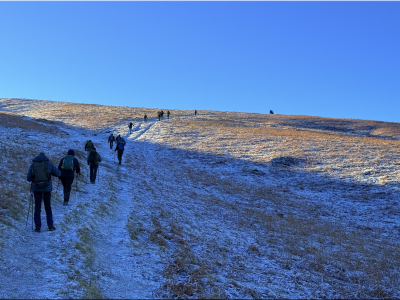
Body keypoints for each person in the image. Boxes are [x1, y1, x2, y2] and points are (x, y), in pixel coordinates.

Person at [27, 152, 61, 232]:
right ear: (44, 156)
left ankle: (37, 226)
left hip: (36, 188)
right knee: (48, 207)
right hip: (47, 188)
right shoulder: (48, 163)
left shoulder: (33, 164)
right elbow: (58, 173)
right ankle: (50, 225)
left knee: (37, 207)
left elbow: (28, 178)